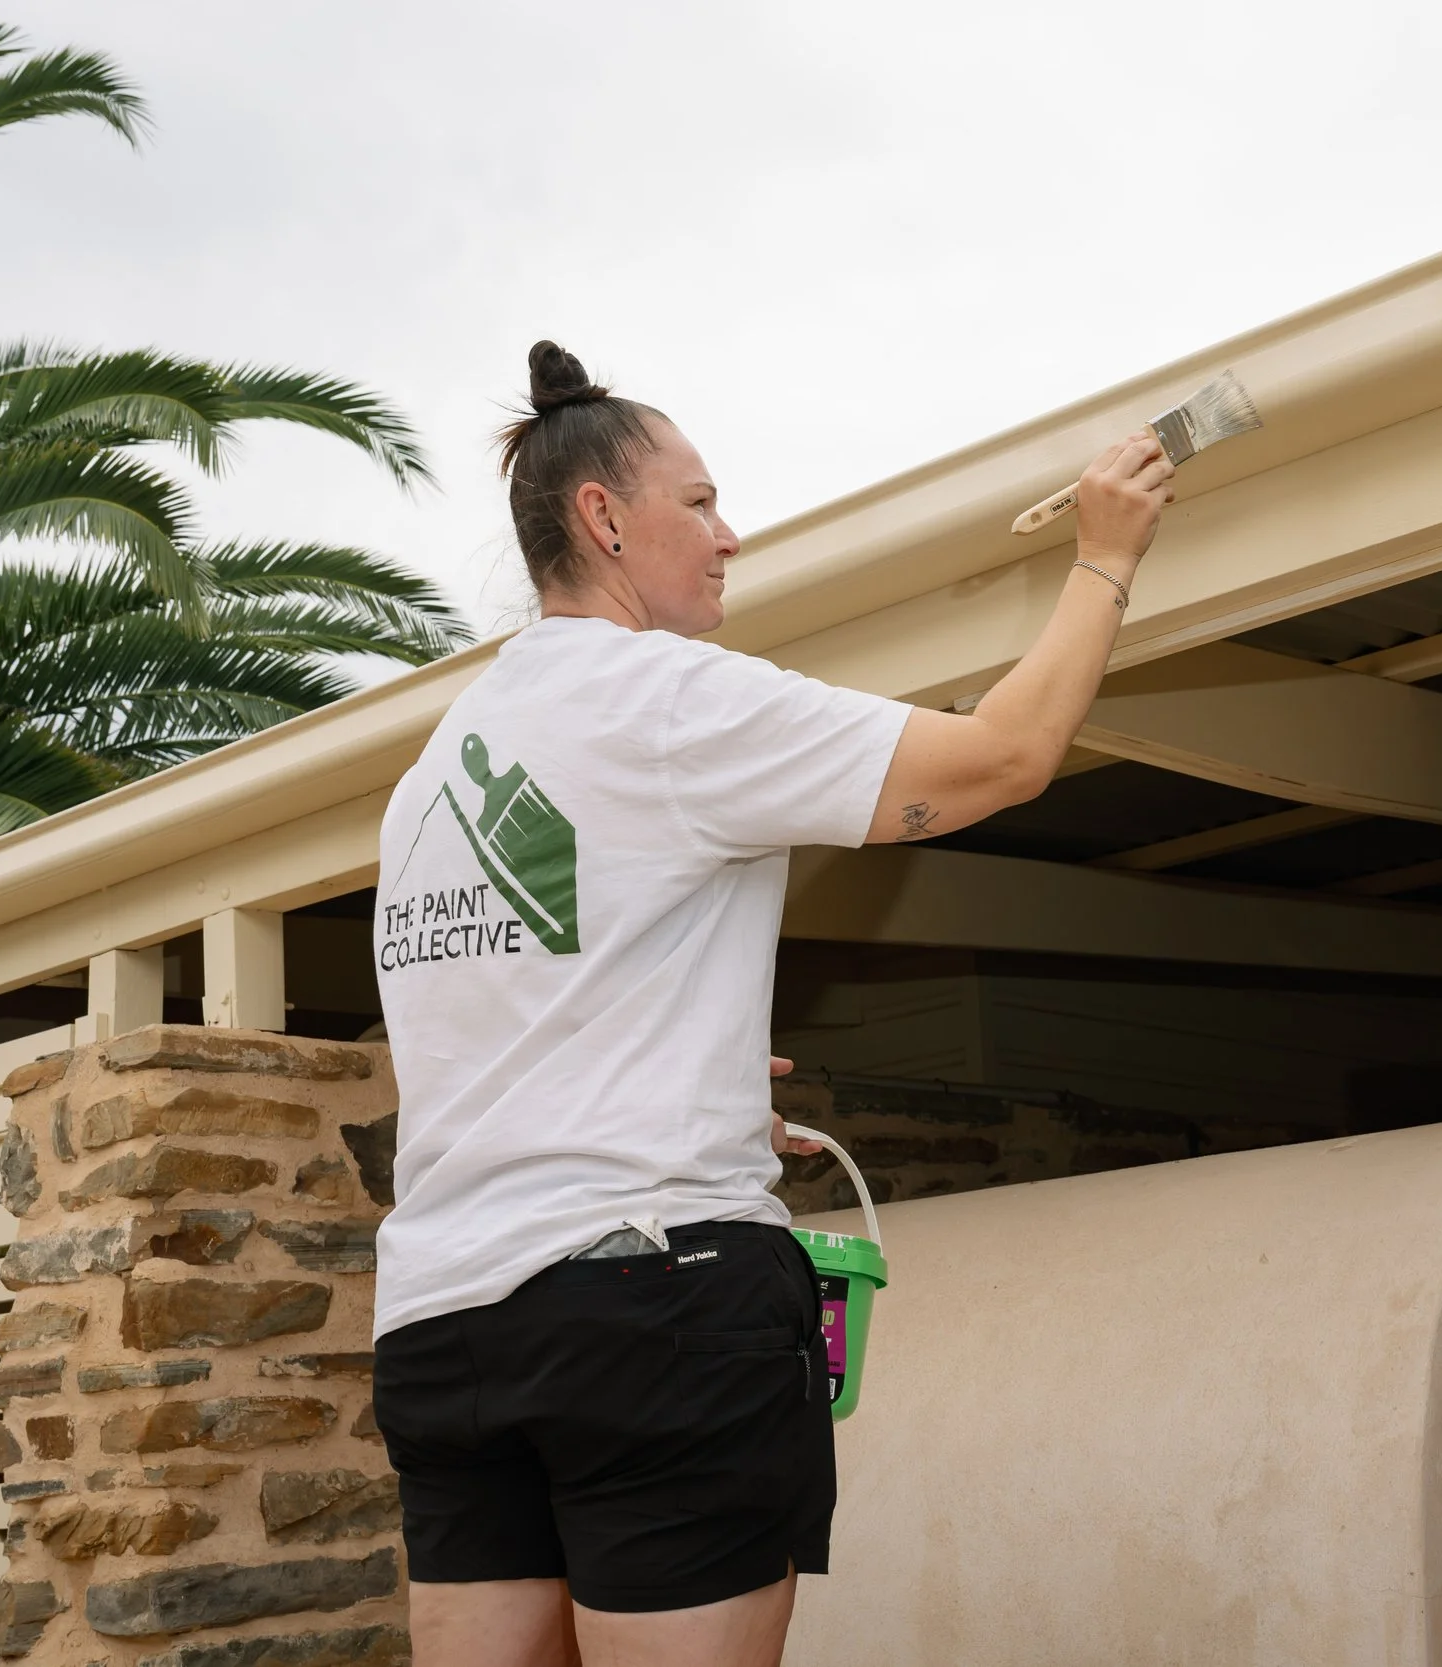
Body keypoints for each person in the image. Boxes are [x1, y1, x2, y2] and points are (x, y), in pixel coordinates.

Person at [369, 340, 1174, 1667]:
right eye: (699, 503)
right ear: (603, 518)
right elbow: (1003, 758)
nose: (728, 535)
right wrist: (1105, 558)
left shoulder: (438, 774)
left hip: (447, 1332)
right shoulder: (664, 698)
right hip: (651, 1311)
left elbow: (505, 1026)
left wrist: (689, 1073)